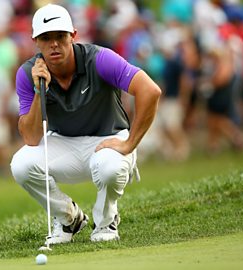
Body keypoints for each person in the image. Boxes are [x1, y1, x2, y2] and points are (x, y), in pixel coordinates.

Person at [10, 4, 161, 245]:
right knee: (21, 165)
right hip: (64, 143)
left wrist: (130, 143)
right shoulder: (28, 73)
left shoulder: (100, 59)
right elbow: (30, 138)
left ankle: (106, 221)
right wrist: (40, 91)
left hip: (108, 139)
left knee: (109, 167)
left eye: (60, 36)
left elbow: (150, 90)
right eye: (46, 38)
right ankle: (68, 219)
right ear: (35, 41)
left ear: (73, 35)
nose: (54, 44)